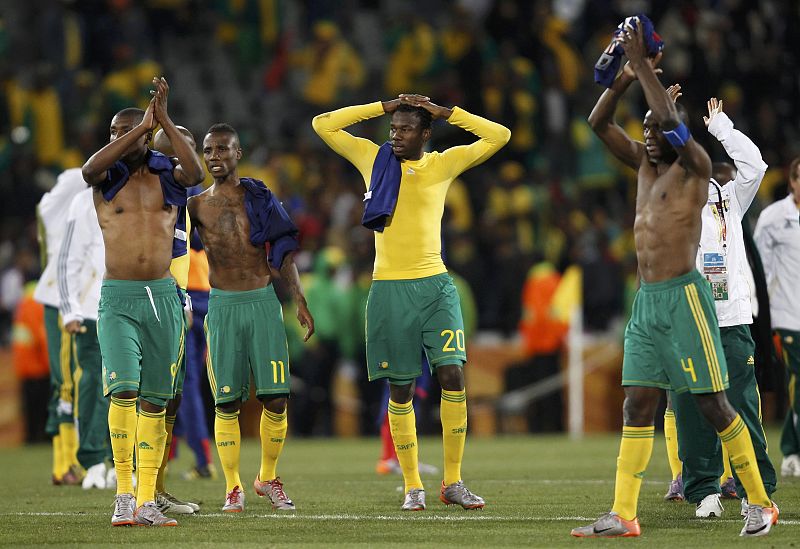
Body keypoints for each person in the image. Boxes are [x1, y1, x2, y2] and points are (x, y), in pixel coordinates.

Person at [572, 21, 776, 538]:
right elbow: (598, 123)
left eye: (654, 126)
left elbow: (667, 117)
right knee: (638, 401)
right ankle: (623, 514)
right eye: (642, 127)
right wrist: (621, 78)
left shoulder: (697, 169)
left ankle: (759, 501)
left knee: (712, 402)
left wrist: (642, 65)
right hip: (648, 304)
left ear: (675, 133)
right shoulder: (644, 166)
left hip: (687, 298)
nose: (645, 133)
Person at [312, 93, 510, 511]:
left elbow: (499, 135)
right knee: (400, 390)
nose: (396, 135)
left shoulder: (441, 164)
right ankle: (413, 484)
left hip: (436, 285)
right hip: (388, 289)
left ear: (425, 133)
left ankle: (453, 482)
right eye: (393, 128)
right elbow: (323, 123)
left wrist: (447, 113)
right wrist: (381, 107)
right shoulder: (374, 159)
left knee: (453, 375)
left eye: (405, 129)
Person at [81, 76, 205, 527]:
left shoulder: (166, 175)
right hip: (118, 298)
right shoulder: (106, 177)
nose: (115, 138)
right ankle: (124, 495)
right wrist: (139, 129)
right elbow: (88, 171)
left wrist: (164, 120)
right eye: (113, 132)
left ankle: (148, 500)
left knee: (155, 401)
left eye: (124, 130)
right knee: (124, 390)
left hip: (162, 298)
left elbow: (197, 174)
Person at [659, 88, 776, 517]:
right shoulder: (667, 196)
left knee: (742, 407)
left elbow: (756, 165)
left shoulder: (727, 198)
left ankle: (753, 493)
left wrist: (721, 129)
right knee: (690, 411)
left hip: (730, 319)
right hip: (687, 320)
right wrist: (666, 117)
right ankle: (704, 491)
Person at [188, 122, 314, 513]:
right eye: (208, 151)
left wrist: (299, 299)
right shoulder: (195, 206)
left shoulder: (259, 197)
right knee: (226, 403)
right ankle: (232, 487)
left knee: (275, 398)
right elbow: (174, 251)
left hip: (262, 302)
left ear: (238, 153)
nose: (215, 157)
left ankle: (268, 477)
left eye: (223, 150)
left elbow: (285, 251)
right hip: (222, 306)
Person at [148, 126, 202, 515]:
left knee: (173, 397)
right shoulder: (146, 184)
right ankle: (137, 490)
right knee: (147, 396)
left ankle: (158, 488)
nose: (192, 153)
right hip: (150, 297)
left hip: (177, 298)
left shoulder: (182, 190)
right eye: (184, 146)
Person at [33, 167, 86, 485]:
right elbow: (84, 175)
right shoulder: (73, 185)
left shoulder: (51, 211)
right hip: (61, 297)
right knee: (67, 380)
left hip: (63, 294)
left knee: (69, 379)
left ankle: (66, 461)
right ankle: (64, 463)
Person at [57, 182, 112, 490]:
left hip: (132, 304)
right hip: (91, 310)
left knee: (131, 385)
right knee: (92, 381)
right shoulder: (83, 201)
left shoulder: (144, 188)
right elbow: (68, 258)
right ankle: (93, 460)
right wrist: (70, 309)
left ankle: (125, 461)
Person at [754, 156, 800, 477]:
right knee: (797, 383)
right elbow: (760, 268)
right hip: (787, 315)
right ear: (792, 181)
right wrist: (761, 310)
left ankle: (792, 450)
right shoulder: (773, 218)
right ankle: (791, 452)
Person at [12, 281, 50, 444]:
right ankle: (41, 436)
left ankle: (32, 436)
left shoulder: (22, 305)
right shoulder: (35, 305)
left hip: (24, 366)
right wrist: (51, 365)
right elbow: (41, 336)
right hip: (38, 367)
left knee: (30, 407)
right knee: (42, 406)